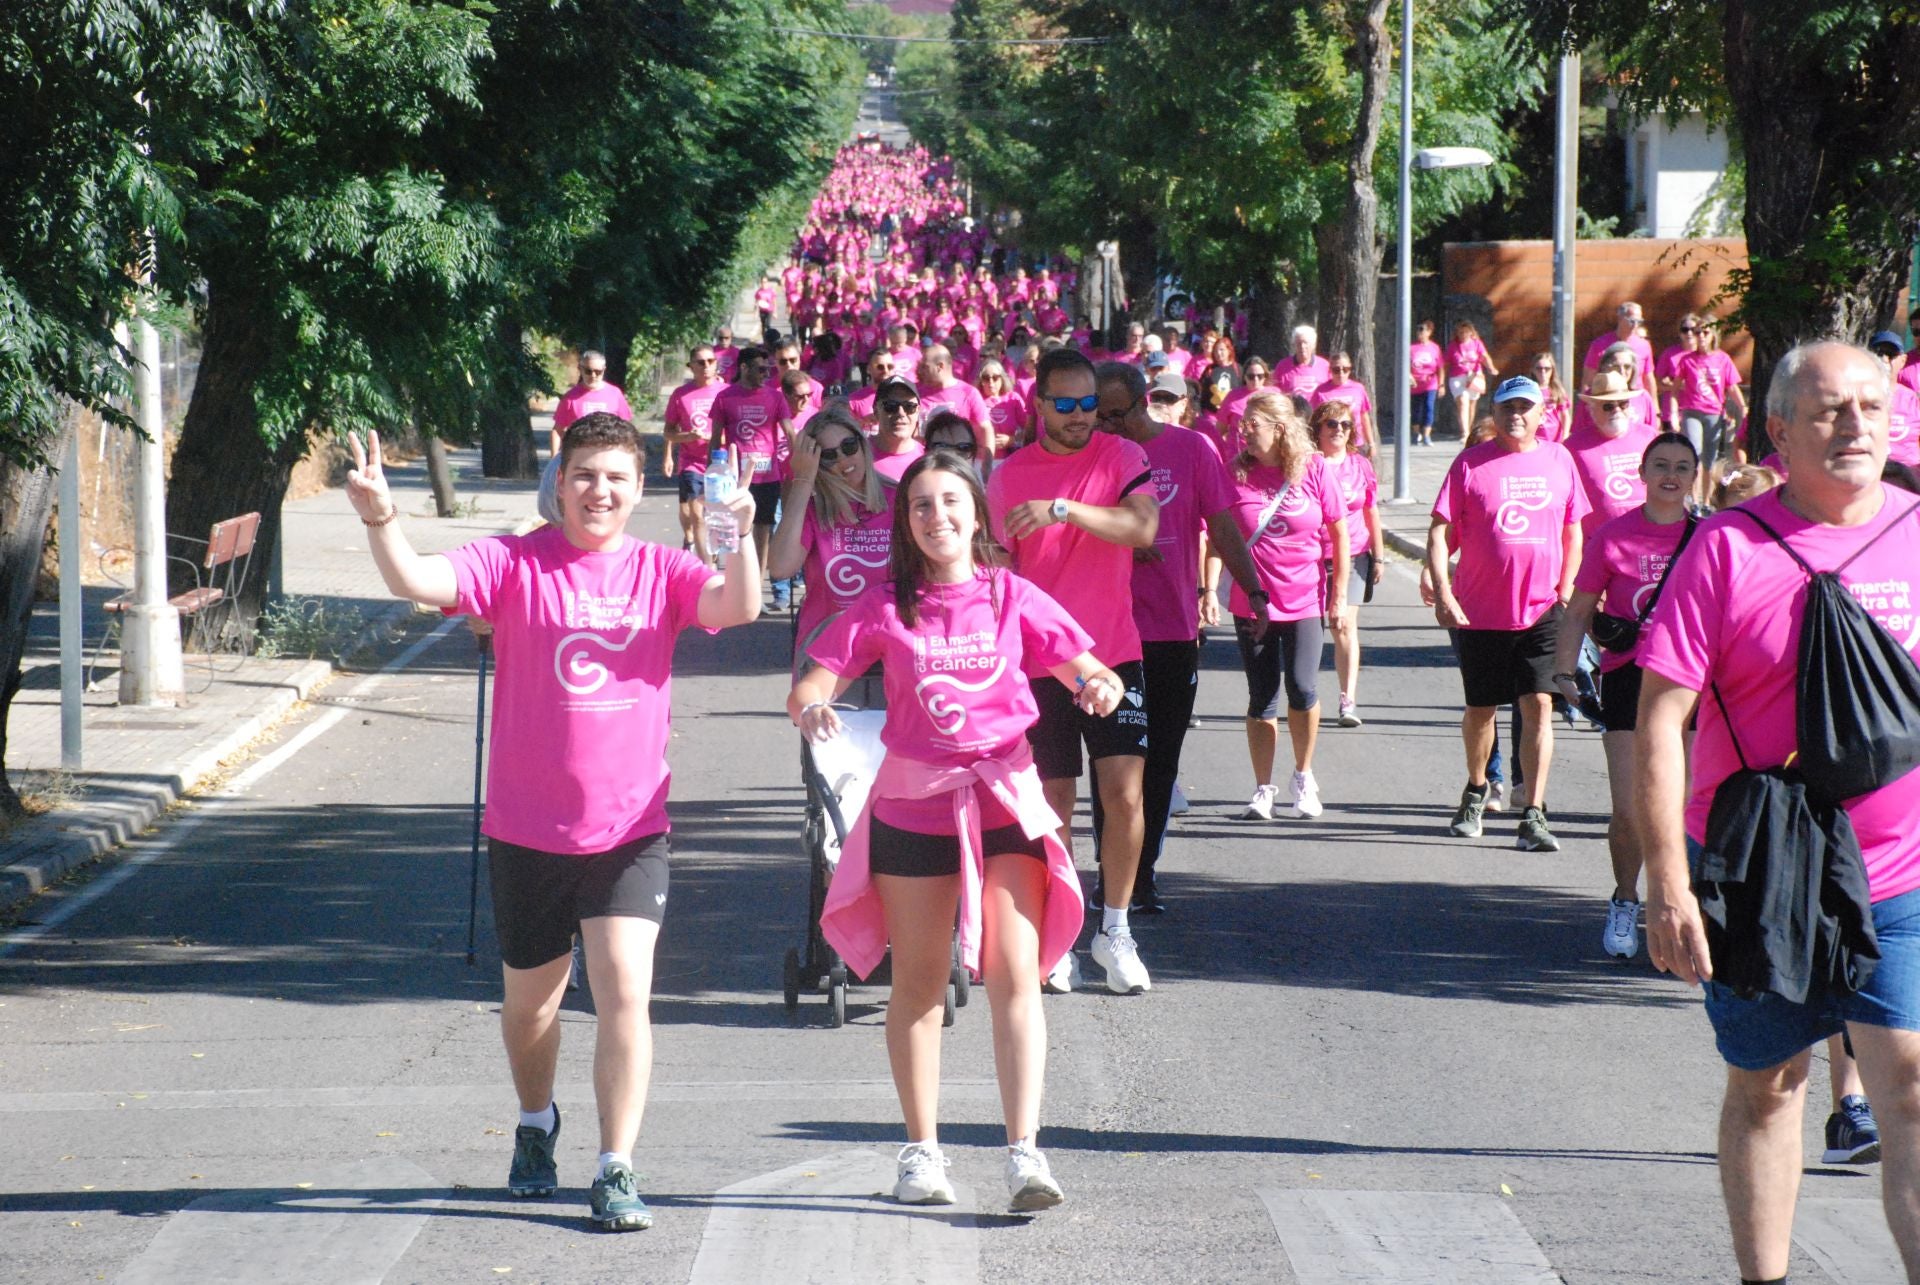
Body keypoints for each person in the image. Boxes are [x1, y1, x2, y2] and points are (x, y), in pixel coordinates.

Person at [343, 413, 759, 1232]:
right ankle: (536, 1124)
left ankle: (616, 1165)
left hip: (631, 826)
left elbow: (736, 605)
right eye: (584, 476)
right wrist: (378, 517)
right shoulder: (512, 560)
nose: (599, 490)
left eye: (616, 478)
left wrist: (740, 535)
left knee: (624, 995)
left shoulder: (661, 568)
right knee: (531, 1007)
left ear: (640, 490)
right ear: (559, 485)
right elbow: (418, 581)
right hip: (528, 827)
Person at [1636, 341, 1920, 1283]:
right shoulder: (1724, 548)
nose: (1855, 427)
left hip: (1900, 872)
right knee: (1770, 1086)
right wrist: (1668, 885)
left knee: (1911, 1087)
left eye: (1871, 407)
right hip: (1764, 871)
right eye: (1830, 409)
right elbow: (1660, 719)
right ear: (1779, 429)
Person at [790, 453, 1121, 1213]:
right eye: (920, 508)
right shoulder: (885, 606)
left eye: (950, 503)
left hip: (1005, 799)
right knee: (919, 981)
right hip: (914, 805)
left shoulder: (1014, 596)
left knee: (1014, 969)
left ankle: (1024, 1154)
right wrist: (812, 708)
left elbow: (1087, 669)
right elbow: (813, 681)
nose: (937, 517)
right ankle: (921, 1153)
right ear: (907, 525)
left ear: (977, 514)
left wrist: (1100, 684)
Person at [987, 348, 1159, 995]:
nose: (1082, 416)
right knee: (1053, 802)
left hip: (1114, 652)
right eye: (1067, 404)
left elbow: (1142, 528)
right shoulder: (1007, 475)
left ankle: (1114, 929)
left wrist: (1064, 510)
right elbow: (1000, 576)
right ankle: (1059, 932)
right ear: (1039, 406)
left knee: (1125, 795)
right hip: (1038, 665)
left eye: (1089, 404)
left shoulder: (1122, 458)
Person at [1094, 363, 1266, 912]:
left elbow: (1221, 528)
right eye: (1101, 416)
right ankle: (1111, 874)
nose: (1107, 425)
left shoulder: (1192, 449)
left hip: (1172, 629)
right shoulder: (1097, 451)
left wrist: (1254, 592)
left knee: (1162, 758)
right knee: (1116, 763)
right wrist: (1117, 541)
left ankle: (1143, 873)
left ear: (1143, 403)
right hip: (1110, 633)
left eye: (1116, 414)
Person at [1552, 432, 1700, 960]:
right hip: (1629, 679)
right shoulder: (1613, 537)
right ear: (1641, 472)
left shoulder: (1707, 535)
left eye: (1682, 466)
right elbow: (1577, 610)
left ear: (1693, 477)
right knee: (1630, 809)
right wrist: (1566, 674)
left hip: (1691, 682)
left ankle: (1680, 905)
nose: (1670, 474)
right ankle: (1624, 898)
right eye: (1660, 464)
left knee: (1684, 807)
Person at [1427, 376, 1587, 850]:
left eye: (1525, 406)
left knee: (1538, 704)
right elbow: (1439, 532)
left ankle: (1534, 811)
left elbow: (1573, 529)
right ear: (1493, 414)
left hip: (1542, 610)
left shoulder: (1560, 459)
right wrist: (1442, 590)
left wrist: (1567, 589)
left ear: (1542, 414)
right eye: (1507, 407)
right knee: (1481, 709)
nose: (1516, 414)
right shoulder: (1471, 464)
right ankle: (1477, 788)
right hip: (1479, 611)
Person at [1219, 392, 1347, 820]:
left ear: (1279, 427)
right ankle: (1263, 788)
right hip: (1252, 603)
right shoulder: (1235, 473)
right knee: (1262, 697)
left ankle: (1303, 775)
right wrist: (1205, 592)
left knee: (1303, 687)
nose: (1244, 432)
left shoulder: (1313, 469)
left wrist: (1339, 595)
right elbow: (1218, 535)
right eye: (1242, 425)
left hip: (1305, 598)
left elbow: (1339, 532)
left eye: (1252, 424)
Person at [768, 405, 894, 665]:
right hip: (826, 656)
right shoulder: (813, 510)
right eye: (827, 456)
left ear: (862, 443)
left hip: (893, 653)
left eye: (849, 446)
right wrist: (802, 479)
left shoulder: (902, 499)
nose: (842, 460)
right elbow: (780, 567)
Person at [1312, 400, 1384, 727]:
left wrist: (1379, 555)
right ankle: (1305, 693)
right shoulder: (1308, 464)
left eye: (1344, 424)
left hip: (1355, 554)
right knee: (1312, 627)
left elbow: (1371, 511)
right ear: (1319, 428)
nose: (1338, 430)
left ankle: (1347, 699)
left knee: (1343, 624)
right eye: (1331, 424)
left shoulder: (1360, 466)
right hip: (1313, 556)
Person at [1565, 368, 1663, 544]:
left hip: (1649, 539)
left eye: (1623, 403)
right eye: (1608, 406)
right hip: (1599, 546)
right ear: (1592, 409)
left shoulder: (1650, 438)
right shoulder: (1573, 448)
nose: (1616, 410)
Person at [1663, 314, 1748, 498]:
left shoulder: (1723, 359)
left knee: (1710, 459)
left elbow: (1732, 387)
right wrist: (1674, 416)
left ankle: (1707, 499)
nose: (1700, 336)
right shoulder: (1687, 360)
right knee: (1694, 453)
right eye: (1697, 332)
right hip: (1692, 411)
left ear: (1712, 335)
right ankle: (1694, 499)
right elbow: (1676, 390)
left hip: (1714, 413)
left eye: (1705, 332)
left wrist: (1743, 408)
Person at [662, 344, 725, 565]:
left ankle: (713, 549)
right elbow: (668, 432)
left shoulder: (725, 392)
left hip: (721, 462)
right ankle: (706, 569)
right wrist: (687, 437)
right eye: (700, 362)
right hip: (692, 463)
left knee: (717, 515)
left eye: (710, 361)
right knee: (697, 515)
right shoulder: (681, 395)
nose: (706, 366)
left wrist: (715, 438)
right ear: (691, 366)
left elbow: (737, 431)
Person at [917, 343, 996, 468]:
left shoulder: (968, 392)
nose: (920, 371)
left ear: (940, 366)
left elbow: (986, 429)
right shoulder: (916, 392)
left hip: (958, 466)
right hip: (924, 465)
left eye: (925, 367)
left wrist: (986, 465)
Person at [550, 349, 634, 457]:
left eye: (598, 372)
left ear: (604, 370)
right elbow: (557, 431)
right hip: (579, 457)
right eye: (588, 371)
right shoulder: (570, 397)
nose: (593, 375)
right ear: (580, 369)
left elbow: (626, 428)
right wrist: (554, 459)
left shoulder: (615, 394)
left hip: (609, 455)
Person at [1310, 351, 1375, 455]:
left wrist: (1371, 443)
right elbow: (1314, 421)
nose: (1341, 373)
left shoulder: (1358, 389)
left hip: (1356, 445)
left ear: (1350, 369)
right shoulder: (1320, 391)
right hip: (1331, 445)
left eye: (1345, 369)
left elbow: (1364, 417)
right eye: (1336, 370)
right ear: (1330, 370)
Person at [1582, 301, 1653, 395]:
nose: (1635, 325)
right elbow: (1588, 379)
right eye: (1631, 321)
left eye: (1639, 322)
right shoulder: (1599, 345)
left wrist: (1655, 406)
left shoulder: (1644, 345)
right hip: (1608, 397)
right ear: (1620, 318)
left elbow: (1648, 378)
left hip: (1636, 397)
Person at [1445, 321, 1497, 443]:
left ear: (1471, 332)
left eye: (1465, 332)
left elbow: (1484, 357)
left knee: (1472, 404)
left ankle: (1469, 430)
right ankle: (1465, 432)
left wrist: (1491, 367)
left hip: (1474, 376)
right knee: (1463, 402)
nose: (1463, 335)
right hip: (1457, 377)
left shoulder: (1476, 344)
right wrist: (1442, 380)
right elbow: (1446, 363)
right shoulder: (1453, 345)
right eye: (1460, 332)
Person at [870, 374, 929, 481]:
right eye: (891, 406)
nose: (901, 413)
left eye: (909, 407)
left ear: (918, 412)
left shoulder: (927, 459)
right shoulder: (858, 454)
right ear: (876, 411)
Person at [976, 357, 1027, 456]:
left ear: (1002, 379)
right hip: (980, 458)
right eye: (986, 378)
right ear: (981, 380)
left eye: (995, 378)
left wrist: (1012, 440)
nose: (991, 382)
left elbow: (1029, 429)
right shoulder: (975, 398)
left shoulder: (1013, 399)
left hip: (1009, 457)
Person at [1272, 325, 1330, 401]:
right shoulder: (1283, 366)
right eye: (1298, 343)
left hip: (1317, 411)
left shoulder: (1324, 365)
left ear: (1313, 345)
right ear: (1294, 345)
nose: (1302, 346)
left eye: (1305, 342)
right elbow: (1275, 393)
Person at [1409, 320, 1443, 446]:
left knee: (1429, 407)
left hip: (1431, 383)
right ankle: (1416, 434)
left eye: (1422, 329)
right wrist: (1409, 376)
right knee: (1416, 410)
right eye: (1418, 329)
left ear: (1429, 332)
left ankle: (1427, 435)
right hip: (1415, 384)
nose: (1420, 332)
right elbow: (1405, 365)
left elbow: (1440, 367)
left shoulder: (1434, 348)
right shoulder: (1411, 348)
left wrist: (1441, 384)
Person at [1531, 352, 1573, 444]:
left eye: (1547, 369)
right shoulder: (1529, 390)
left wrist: (1565, 436)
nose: (1543, 372)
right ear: (1533, 370)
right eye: (1539, 368)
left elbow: (1565, 416)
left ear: (1552, 370)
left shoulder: (1557, 390)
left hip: (1555, 438)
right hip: (1535, 438)